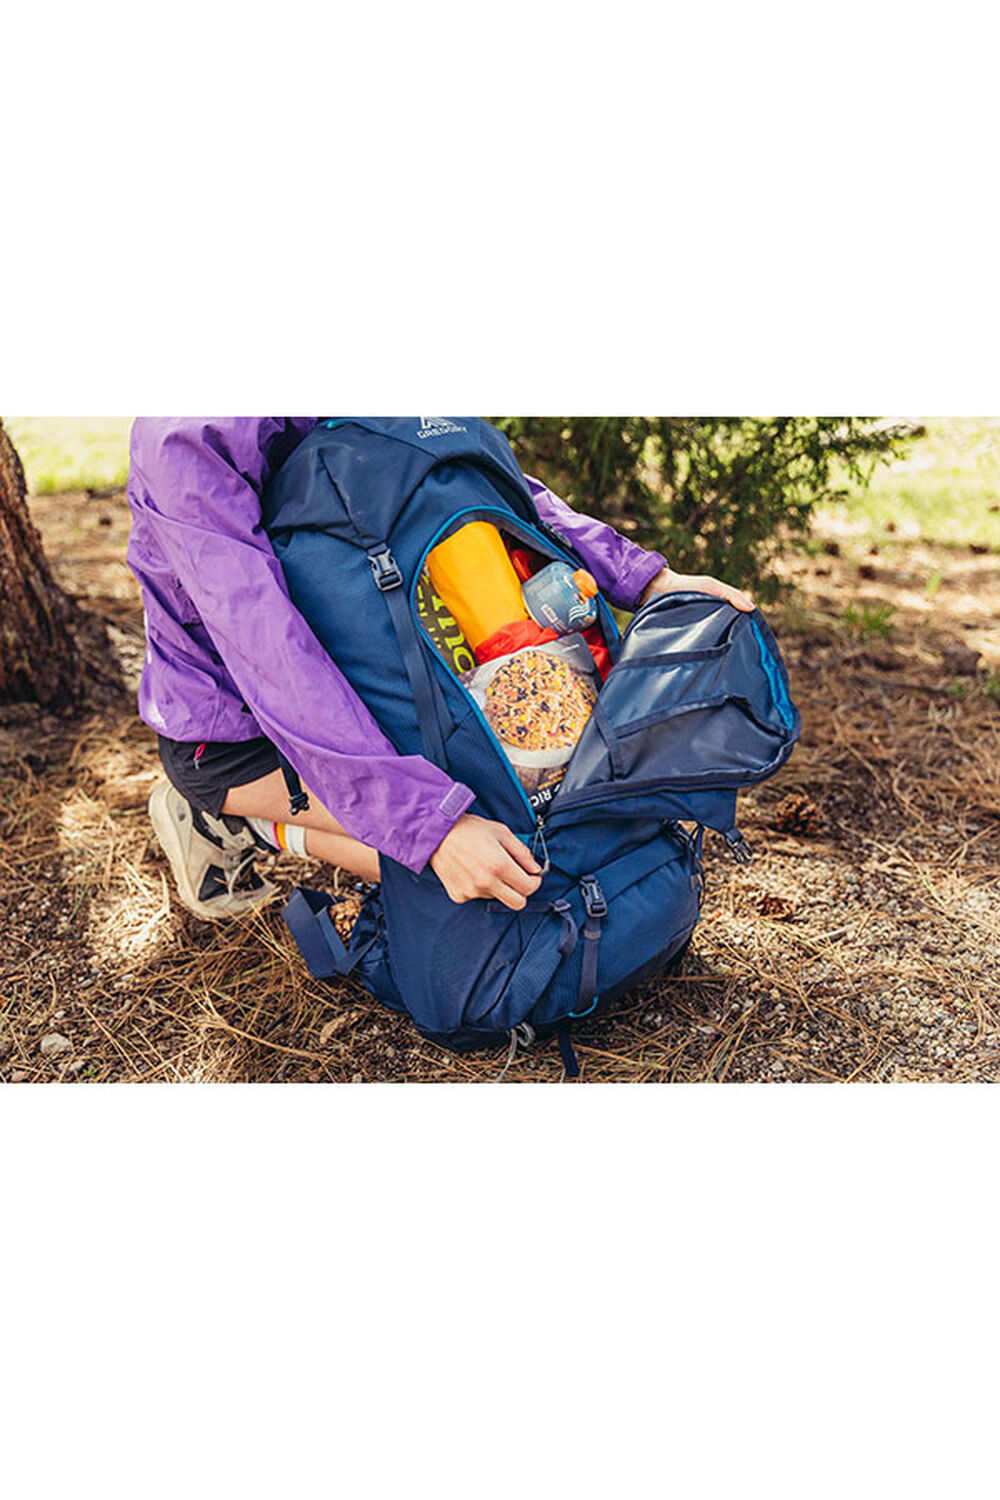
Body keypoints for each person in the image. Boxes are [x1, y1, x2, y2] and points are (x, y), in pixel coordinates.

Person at [127, 418, 753, 921]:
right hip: (237, 732)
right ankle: (238, 820)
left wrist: (645, 579)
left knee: (512, 830)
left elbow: (471, 482)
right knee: (499, 876)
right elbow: (270, 653)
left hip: (357, 676)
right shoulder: (185, 437)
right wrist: (431, 826)